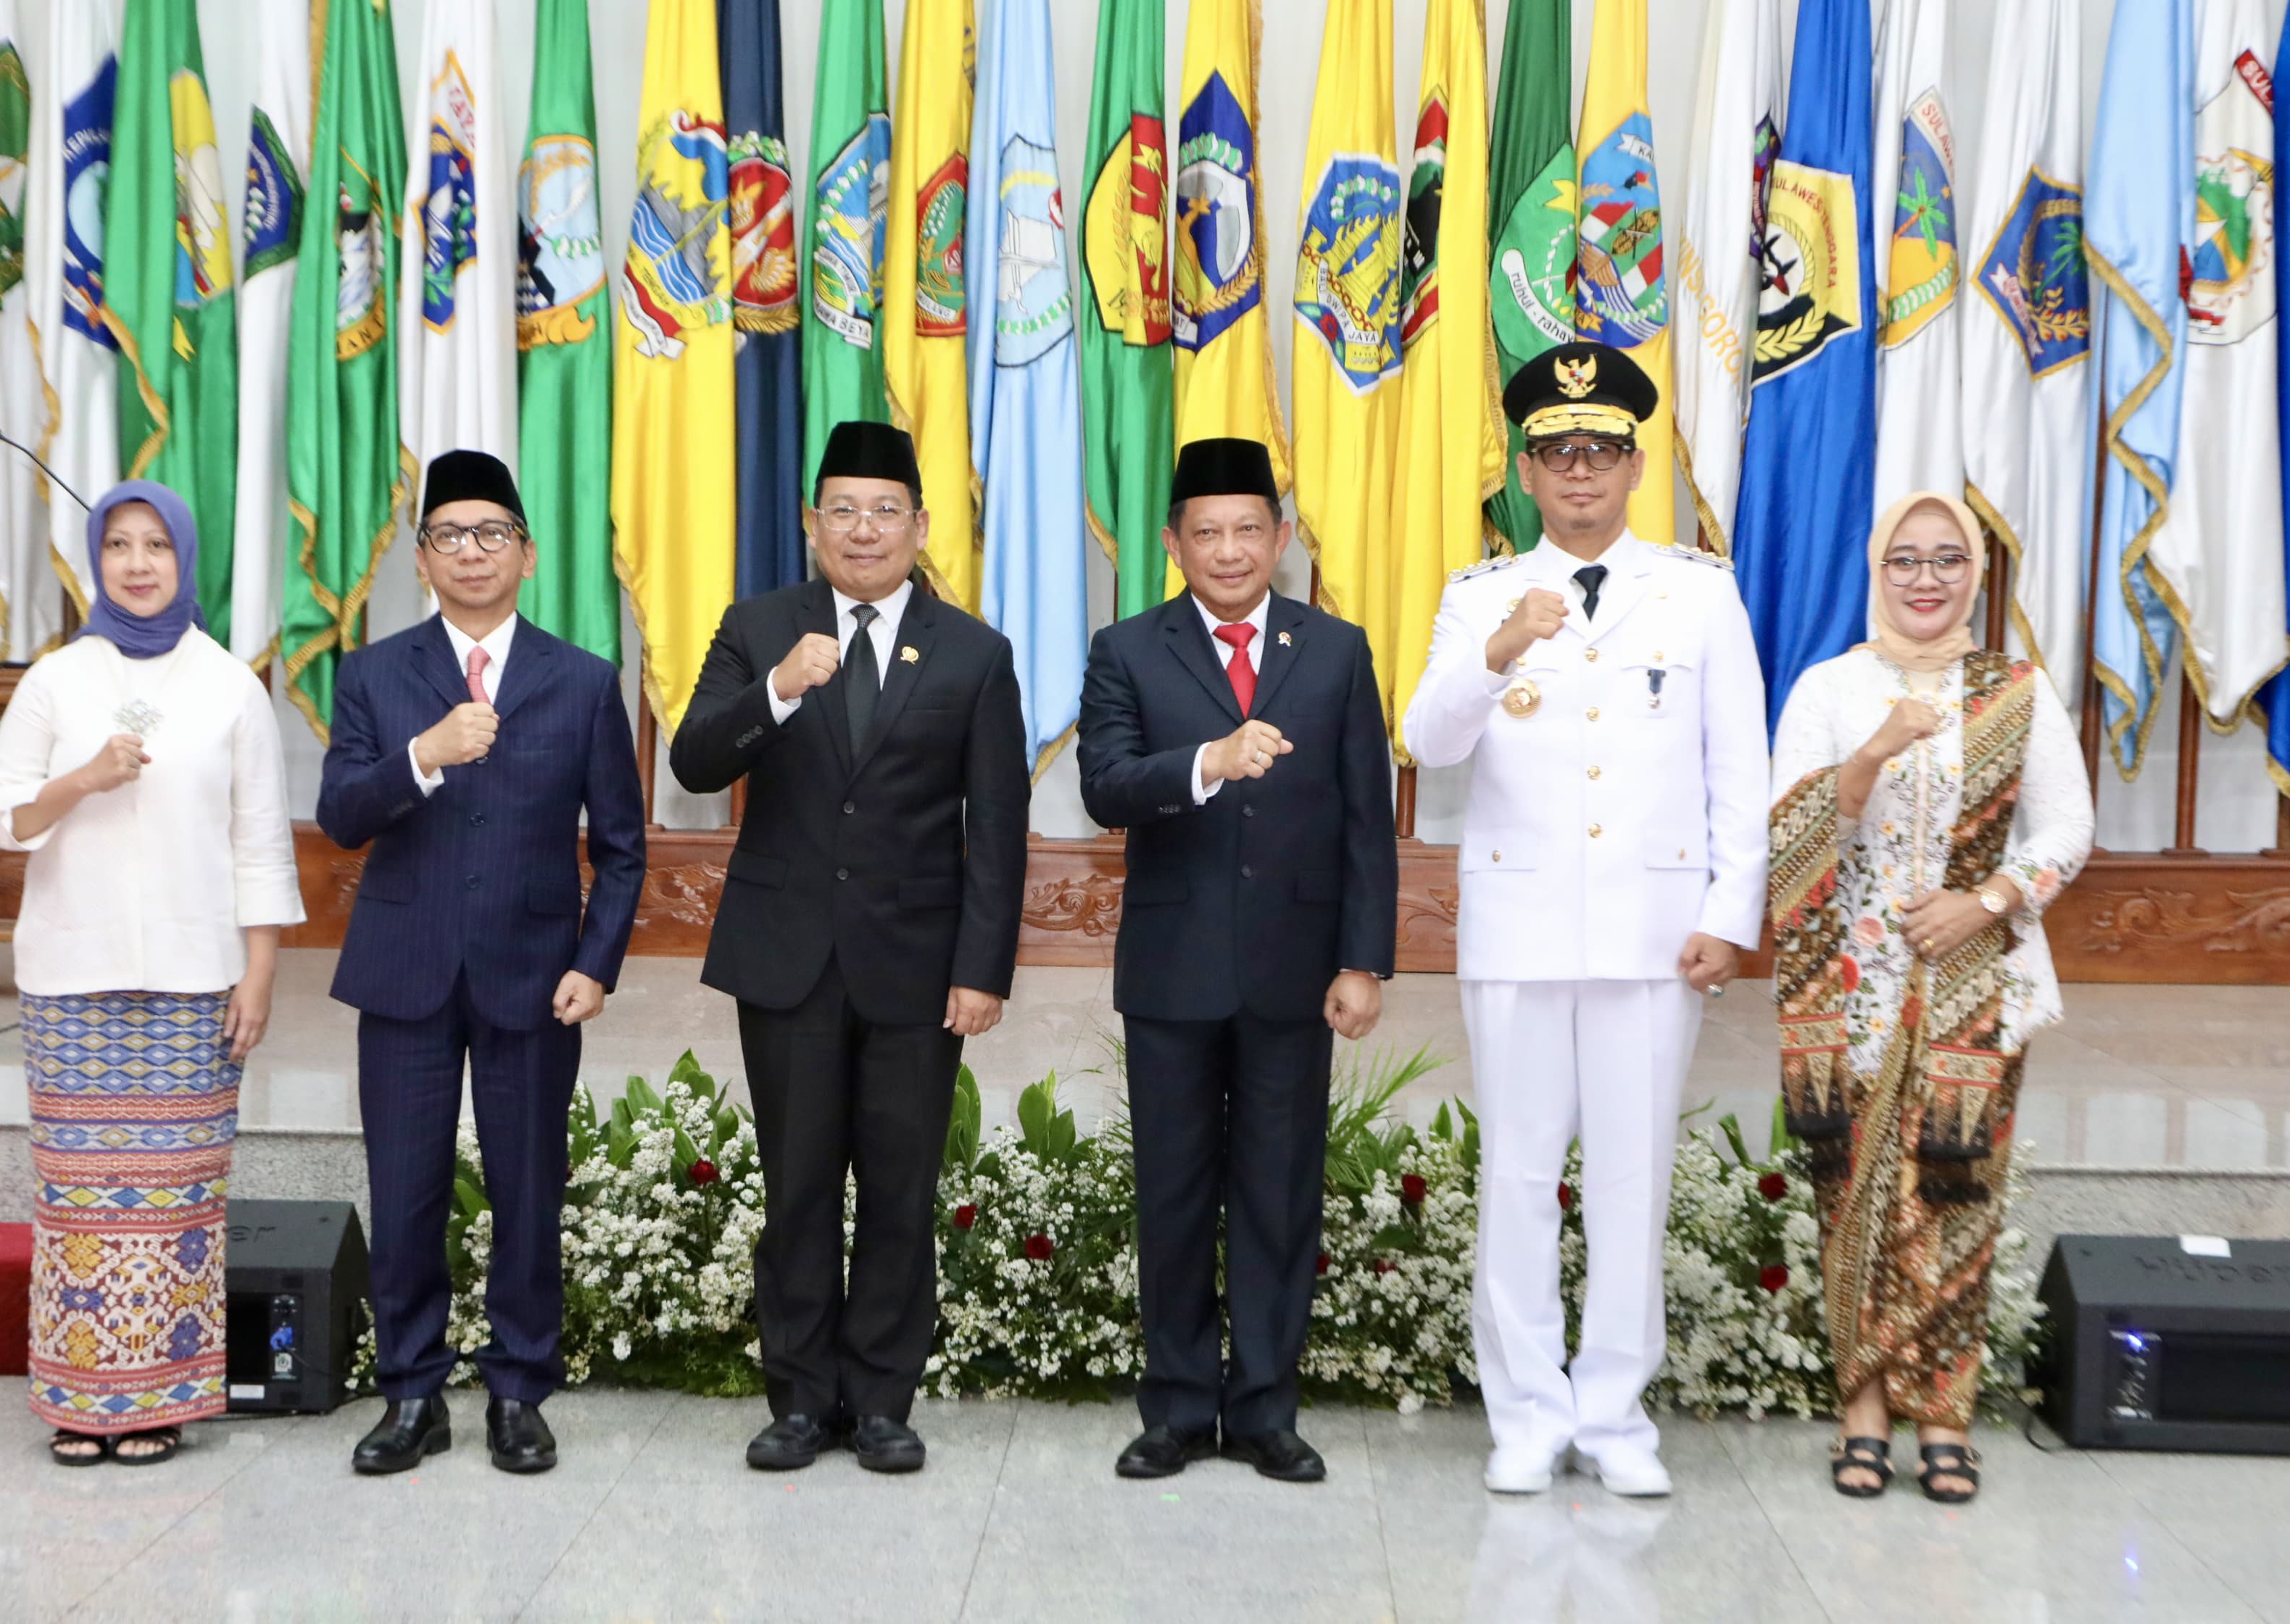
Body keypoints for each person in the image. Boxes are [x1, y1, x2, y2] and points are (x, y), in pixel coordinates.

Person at [1402, 342, 1768, 1498]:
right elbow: (1428, 741)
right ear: (1524, 465)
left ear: (1634, 462)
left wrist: (1731, 912)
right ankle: (1524, 1412)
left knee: (1630, 1178)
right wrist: (1500, 650)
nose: (1579, 474)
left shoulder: (1698, 591)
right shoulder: (1478, 597)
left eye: (1601, 452)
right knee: (1516, 1174)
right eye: (1558, 453)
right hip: (1517, 931)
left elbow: (1739, 768)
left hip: (1655, 933)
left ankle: (1614, 1416)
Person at [669, 420, 1029, 1475]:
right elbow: (693, 762)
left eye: (885, 512)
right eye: (843, 510)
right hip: (786, 957)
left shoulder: (973, 650)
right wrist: (777, 690)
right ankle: (797, 1395)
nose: (863, 529)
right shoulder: (758, 625)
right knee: (798, 1184)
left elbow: (995, 826)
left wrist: (982, 969)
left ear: (920, 527)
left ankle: (880, 1398)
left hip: (919, 970)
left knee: (901, 1186)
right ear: (809, 522)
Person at [318, 449, 646, 1477]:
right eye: (451, 536)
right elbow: (337, 816)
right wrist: (423, 755)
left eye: (491, 534)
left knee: (527, 1192)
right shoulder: (374, 675)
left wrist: (597, 964)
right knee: (405, 1191)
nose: (472, 553)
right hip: (405, 973)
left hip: (535, 978)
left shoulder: (586, 680)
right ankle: (412, 1393)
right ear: (423, 560)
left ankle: (517, 1391)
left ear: (528, 554)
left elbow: (625, 847)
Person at [1076, 436, 1397, 1485]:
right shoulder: (1128, 648)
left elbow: (1364, 822)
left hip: (1295, 973)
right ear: (1172, 544)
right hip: (1173, 971)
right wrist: (1207, 763)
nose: (1227, 550)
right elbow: (1105, 786)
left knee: (1277, 1192)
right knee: (1171, 1191)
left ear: (1282, 537)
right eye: (1205, 533)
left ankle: (1264, 1407)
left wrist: (1364, 961)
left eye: (1247, 530)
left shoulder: (1337, 650)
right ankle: (1173, 1407)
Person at [0, 481, 304, 1467]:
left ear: (184, 556)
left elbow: (259, 844)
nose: (137, 563)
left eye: (156, 544)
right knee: (80, 1198)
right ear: (95, 558)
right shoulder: (56, 682)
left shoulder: (230, 686)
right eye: (117, 544)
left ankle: (157, 1398)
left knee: (175, 1198)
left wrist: (260, 972)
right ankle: (82, 1399)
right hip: (72, 981)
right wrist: (82, 780)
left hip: (198, 983)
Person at [1770, 492, 2093, 1504]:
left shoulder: (2018, 693)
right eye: (1905, 560)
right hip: (1853, 988)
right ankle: (1863, 1407)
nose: (1924, 578)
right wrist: (1872, 750)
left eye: (1947, 559)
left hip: (1977, 985)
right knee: (1853, 1196)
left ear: (1976, 575)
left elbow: (2066, 833)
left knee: (1957, 1199)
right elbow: (1787, 832)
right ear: (1879, 572)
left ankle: (1945, 1413)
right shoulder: (1831, 687)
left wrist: (1987, 901)